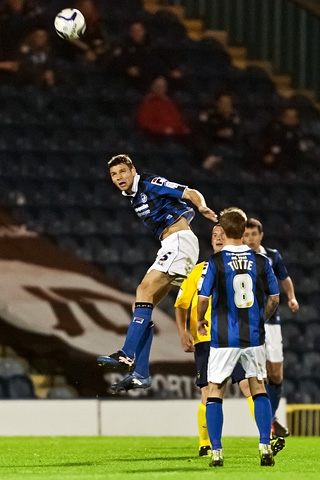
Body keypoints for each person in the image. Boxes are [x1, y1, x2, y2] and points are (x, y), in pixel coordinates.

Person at [97, 153, 217, 393]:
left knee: (144, 289)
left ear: (132, 170)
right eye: (113, 175)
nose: (118, 177)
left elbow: (188, 191)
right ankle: (141, 374)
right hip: (171, 244)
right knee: (142, 304)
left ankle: (127, 354)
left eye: (122, 172)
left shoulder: (149, 183)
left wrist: (201, 206)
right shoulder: (131, 196)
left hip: (180, 241)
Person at [197, 207, 280, 467]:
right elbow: (275, 298)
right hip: (253, 336)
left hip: (223, 336)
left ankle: (217, 451)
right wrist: (261, 319)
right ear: (245, 231)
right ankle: (265, 445)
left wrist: (200, 319)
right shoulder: (261, 261)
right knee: (258, 388)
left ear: (223, 230)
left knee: (215, 391)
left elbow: (202, 298)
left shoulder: (216, 261)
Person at [174, 224, 255, 457]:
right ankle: (205, 442)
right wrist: (182, 333)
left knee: (248, 385)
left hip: (235, 337)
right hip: (206, 339)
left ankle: (267, 436)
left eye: (222, 234)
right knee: (209, 390)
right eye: (213, 235)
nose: (218, 237)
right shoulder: (198, 270)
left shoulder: (240, 269)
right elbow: (180, 305)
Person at [243, 217, 299, 438]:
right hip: (248, 321)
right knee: (258, 374)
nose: (250, 239)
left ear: (261, 235)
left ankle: (271, 416)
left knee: (276, 374)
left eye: (253, 234)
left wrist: (292, 298)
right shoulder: (239, 258)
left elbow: (285, 279)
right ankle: (267, 423)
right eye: (246, 235)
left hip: (271, 321)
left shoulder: (273, 256)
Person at [192, 91, 244, 172]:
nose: (226, 105)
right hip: (211, 147)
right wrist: (217, 134)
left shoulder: (235, 117)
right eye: (223, 103)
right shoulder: (208, 116)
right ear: (217, 103)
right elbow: (202, 133)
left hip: (229, 148)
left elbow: (240, 134)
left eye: (228, 103)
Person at [254, 106, 310, 174]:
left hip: (291, 161)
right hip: (272, 160)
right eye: (288, 116)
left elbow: (300, 148)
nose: (290, 119)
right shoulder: (273, 127)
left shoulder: (299, 130)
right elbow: (264, 142)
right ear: (283, 116)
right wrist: (267, 154)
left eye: (293, 117)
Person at [136, 75, 190, 142]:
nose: (160, 88)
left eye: (163, 86)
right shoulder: (147, 103)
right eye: (158, 86)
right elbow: (145, 124)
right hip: (159, 137)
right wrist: (163, 129)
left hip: (177, 135)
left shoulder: (170, 102)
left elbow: (178, 119)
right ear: (152, 87)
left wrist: (182, 128)